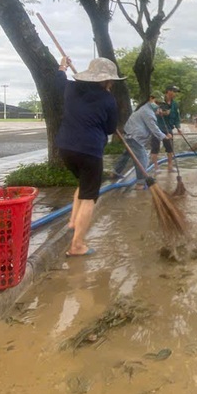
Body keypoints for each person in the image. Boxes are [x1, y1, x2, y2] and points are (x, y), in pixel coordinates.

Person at [56, 56, 122, 256]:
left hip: (65, 148)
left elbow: (59, 81)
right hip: (89, 151)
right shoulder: (108, 99)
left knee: (83, 186)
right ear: (107, 80)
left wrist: (63, 66)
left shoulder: (71, 88)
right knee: (90, 197)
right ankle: (77, 245)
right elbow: (110, 129)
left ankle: (72, 222)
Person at [112, 93, 169, 184]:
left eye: (159, 104)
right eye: (156, 102)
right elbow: (154, 128)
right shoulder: (147, 112)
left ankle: (115, 172)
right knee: (143, 158)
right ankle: (141, 182)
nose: (158, 105)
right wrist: (164, 137)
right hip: (134, 137)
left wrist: (158, 112)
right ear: (151, 98)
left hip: (131, 135)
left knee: (126, 155)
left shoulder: (147, 109)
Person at [151, 84, 181, 174]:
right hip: (157, 128)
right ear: (168, 91)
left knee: (170, 148)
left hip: (168, 128)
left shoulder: (175, 104)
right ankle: (156, 167)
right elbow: (151, 111)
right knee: (155, 148)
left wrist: (178, 127)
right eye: (174, 91)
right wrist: (160, 112)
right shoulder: (158, 101)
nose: (175, 93)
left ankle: (170, 166)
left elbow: (176, 117)